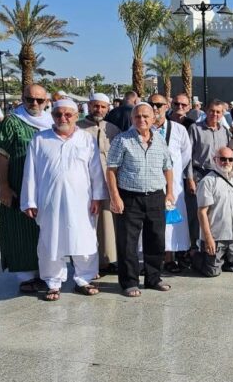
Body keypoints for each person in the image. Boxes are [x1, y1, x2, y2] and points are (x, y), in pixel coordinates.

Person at [20, 100, 107, 300]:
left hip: (82, 201)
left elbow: (95, 170)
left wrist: (97, 197)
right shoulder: (40, 139)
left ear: (76, 116)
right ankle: (53, 282)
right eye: (58, 114)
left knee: (84, 239)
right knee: (50, 241)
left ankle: (84, 279)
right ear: (52, 116)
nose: (63, 118)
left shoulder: (86, 139)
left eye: (68, 114)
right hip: (49, 201)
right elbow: (30, 172)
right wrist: (29, 201)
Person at [106, 102, 175, 297]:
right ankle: (129, 282)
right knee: (128, 242)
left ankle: (154, 278)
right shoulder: (122, 140)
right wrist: (115, 196)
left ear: (153, 118)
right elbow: (111, 170)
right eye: (137, 116)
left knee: (156, 239)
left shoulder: (160, 140)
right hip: (130, 197)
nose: (142, 120)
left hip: (155, 196)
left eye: (146, 116)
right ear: (132, 119)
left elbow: (168, 167)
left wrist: (170, 192)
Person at [0, 84, 53, 293]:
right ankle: (26, 276)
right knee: (21, 230)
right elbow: (1, 156)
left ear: (46, 101)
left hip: (45, 188)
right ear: (23, 99)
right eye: (29, 99)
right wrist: (3, 186)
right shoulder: (12, 121)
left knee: (43, 230)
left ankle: (46, 272)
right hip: (19, 186)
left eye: (39, 100)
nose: (34, 103)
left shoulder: (51, 121)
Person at [76, 93, 121, 272]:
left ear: (108, 108)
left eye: (103, 107)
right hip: (84, 184)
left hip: (108, 183)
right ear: (89, 106)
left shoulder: (113, 129)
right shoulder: (77, 128)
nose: (99, 110)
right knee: (86, 223)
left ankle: (108, 260)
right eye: (95, 106)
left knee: (108, 223)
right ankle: (87, 264)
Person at [149, 93, 192, 273]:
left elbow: (185, 155)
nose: (155, 108)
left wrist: (172, 173)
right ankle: (150, 260)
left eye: (159, 105)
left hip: (172, 182)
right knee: (149, 220)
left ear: (167, 106)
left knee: (171, 222)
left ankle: (169, 258)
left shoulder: (178, 130)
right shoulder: (141, 127)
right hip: (148, 181)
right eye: (152, 104)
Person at [192, 146, 233, 276]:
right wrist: (208, 239)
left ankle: (225, 260)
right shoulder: (207, 181)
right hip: (217, 236)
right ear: (215, 160)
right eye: (223, 159)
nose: (227, 162)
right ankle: (197, 256)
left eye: (230, 159)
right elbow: (202, 212)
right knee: (212, 272)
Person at [187, 100, 233, 246]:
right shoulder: (195, 129)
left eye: (218, 112)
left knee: (215, 211)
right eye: (212, 111)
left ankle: (213, 242)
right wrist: (190, 179)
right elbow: (188, 156)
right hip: (200, 175)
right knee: (198, 211)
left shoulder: (225, 131)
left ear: (222, 114)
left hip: (218, 176)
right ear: (206, 111)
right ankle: (194, 246)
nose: (215, 114)